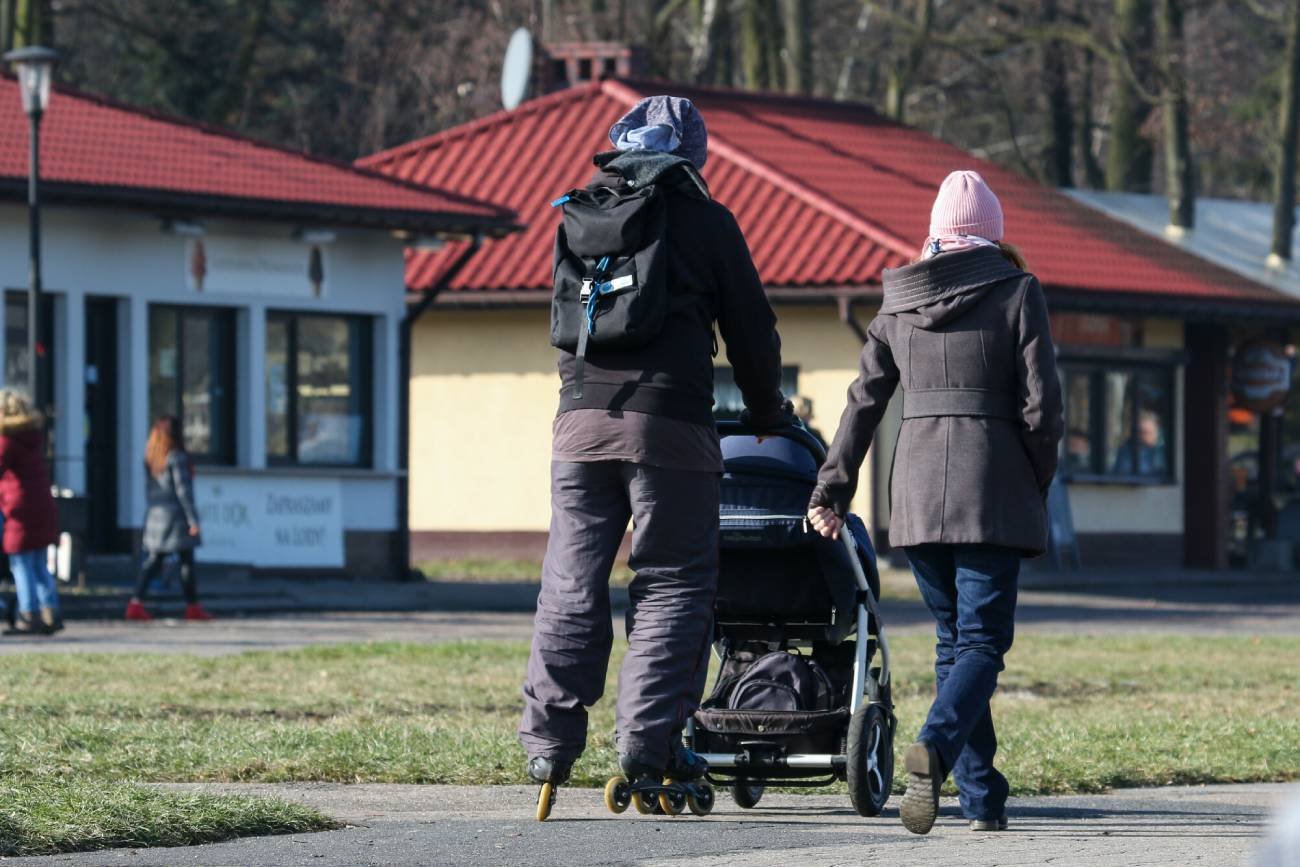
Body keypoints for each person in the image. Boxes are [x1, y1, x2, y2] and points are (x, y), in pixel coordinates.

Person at [520, 95, 791, 801]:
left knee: (571, 580)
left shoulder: (579, 214)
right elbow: (753, 332)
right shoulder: (706, 222)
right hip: (670, 429)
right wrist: (767, 409)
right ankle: (648, 742)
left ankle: (548, 745)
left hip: (578, 426)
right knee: (673, 579)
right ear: (691, 157)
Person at [806, 170, 1063, 835]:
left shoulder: (898, 304)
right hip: (992, 490)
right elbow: (1043, 408)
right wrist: (1035, 477)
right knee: (982, 640)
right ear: (993, 235)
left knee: (957, 642)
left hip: (917, 496)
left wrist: (831, 488)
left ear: (936, 232)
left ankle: (982, 796)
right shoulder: (1017, 292)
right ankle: (935, 748)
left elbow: (862, 404)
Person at [125, 416, 212, 622]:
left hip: (156, 515)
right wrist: (193, 519)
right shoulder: (177, 457)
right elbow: (183, 491)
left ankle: (136, 603)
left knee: (155, 559)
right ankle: (193, 606)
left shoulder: (152, 457)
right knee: (186, 561)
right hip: (176, 516)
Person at [0, 389, 62, 636]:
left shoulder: (7, 441)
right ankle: (51, 612)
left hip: (20, 508)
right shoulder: (33, 437)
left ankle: (29, 615)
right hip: (41, 505)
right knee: (38, 563)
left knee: (20, 563)